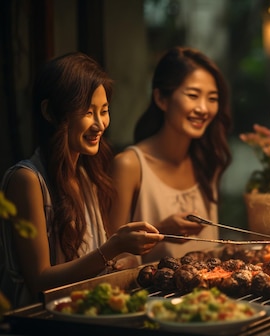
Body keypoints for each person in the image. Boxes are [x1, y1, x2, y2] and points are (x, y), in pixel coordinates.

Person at [0, 52, 163, 308]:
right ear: (50, 112)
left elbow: (91, 261)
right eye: (88, 112)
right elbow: (39, 281)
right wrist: (111, 248)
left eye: (105, 111)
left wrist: (120, 261)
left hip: (85, 313)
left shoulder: (88, 174)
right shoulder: (27, 180)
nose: (100, 124)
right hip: (42, 327)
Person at [109, 46, 232, 264]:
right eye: (193, 95)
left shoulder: (207, 160)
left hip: (211, 294)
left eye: (212, 98)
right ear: (161, 99)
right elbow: (110, 258)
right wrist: (161, 232)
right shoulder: (129, 165)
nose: (204, 108)